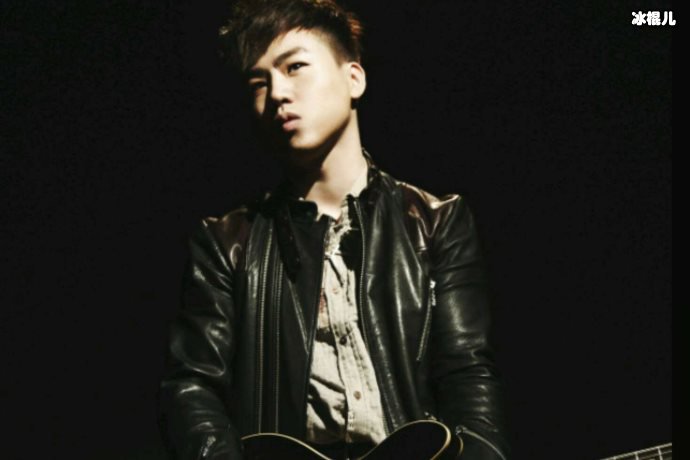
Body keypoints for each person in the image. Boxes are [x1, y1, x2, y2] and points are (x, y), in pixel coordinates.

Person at [157, 1, 509, 458]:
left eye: (295, 67)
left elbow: (467, 373)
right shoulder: (226, 242)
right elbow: (191, 386)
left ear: (354, 78)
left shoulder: (436, 221)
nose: (277, 93)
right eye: (258, 83)